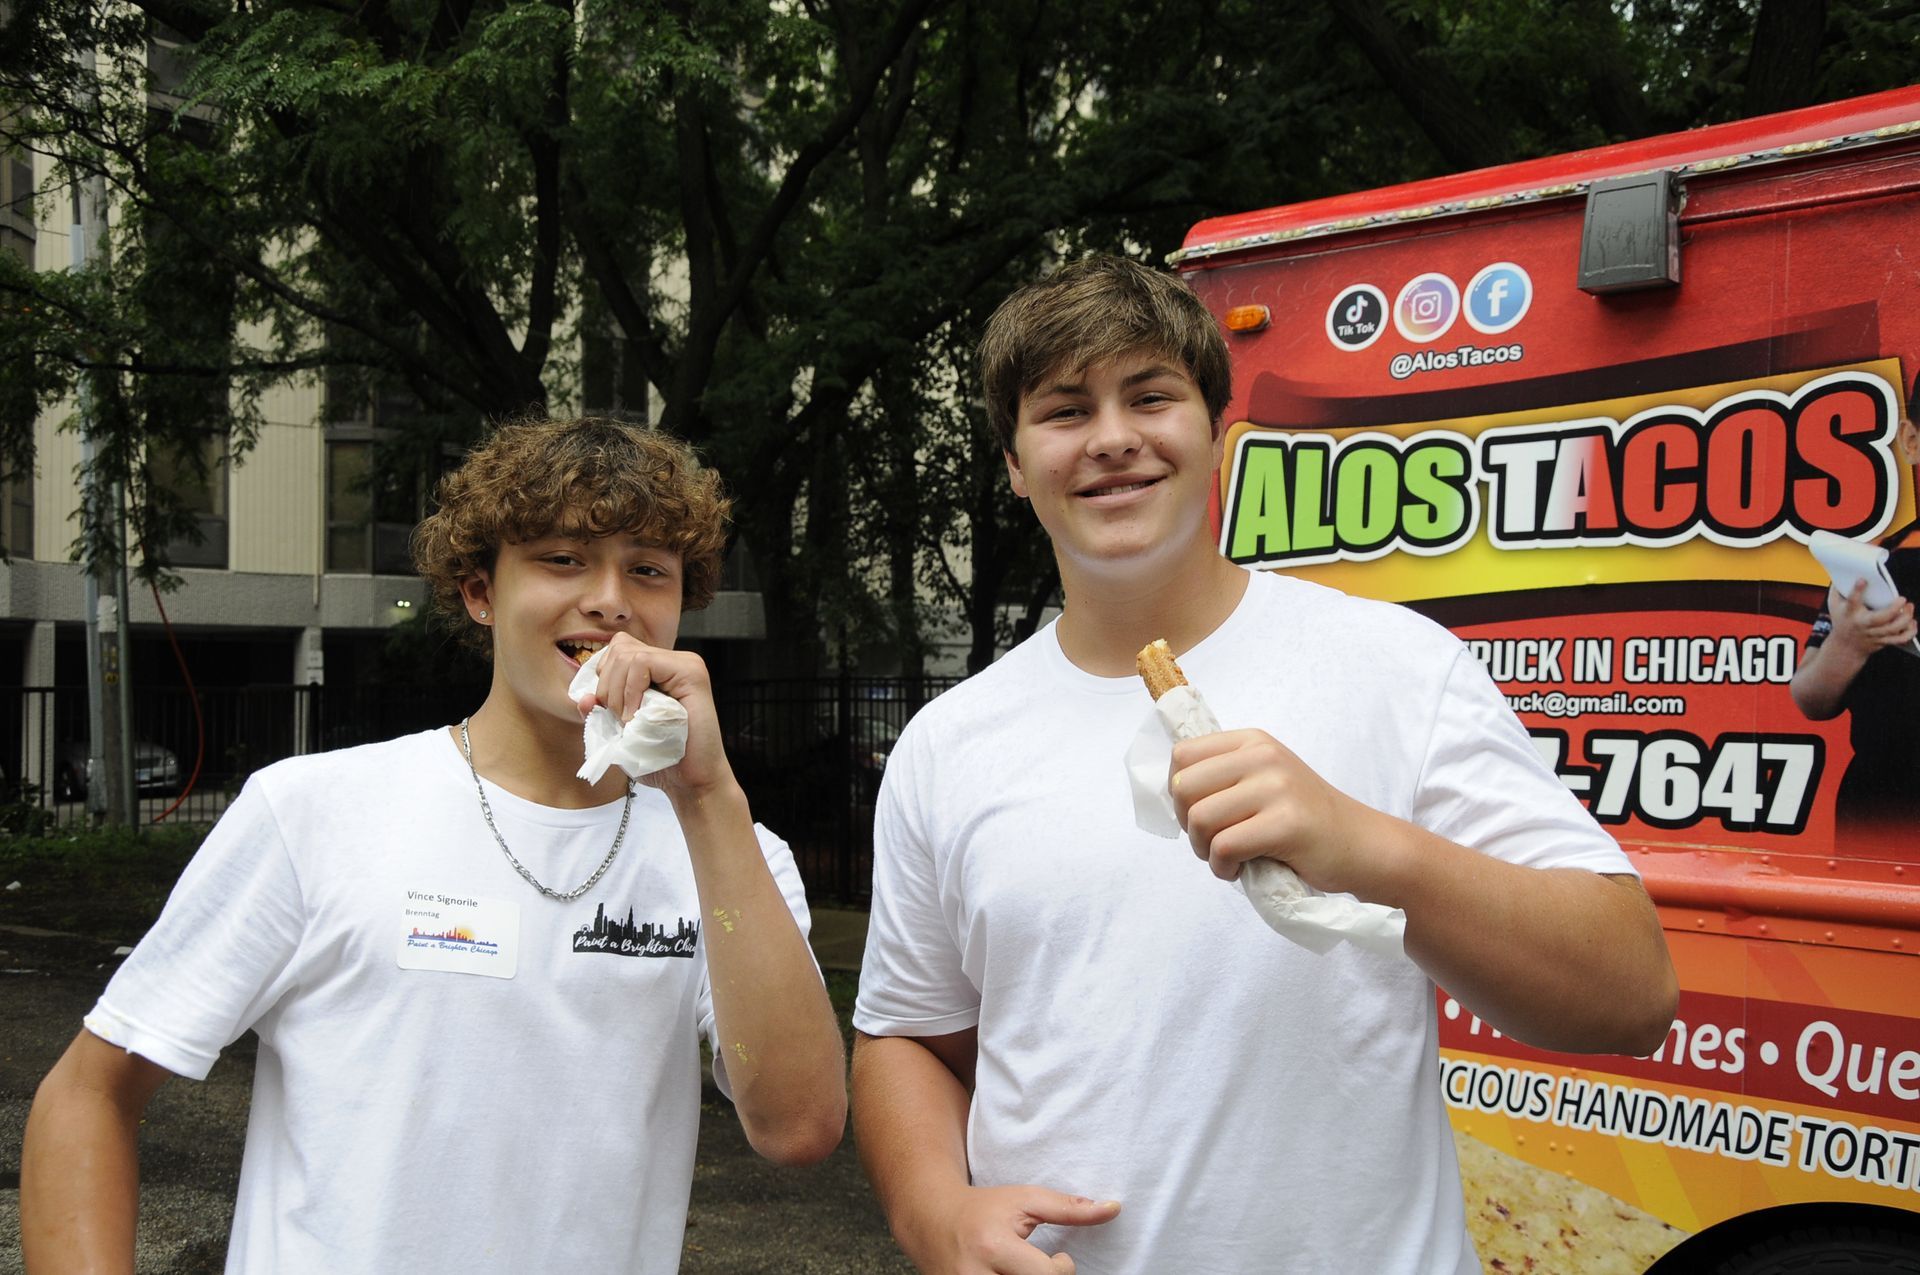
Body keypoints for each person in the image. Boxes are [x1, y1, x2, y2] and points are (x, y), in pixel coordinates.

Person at [849, 256, 1677, 1275]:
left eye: (1151, 396)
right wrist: (936, 1215)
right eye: (1065, 410)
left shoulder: (1395, 666)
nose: (1112, 437)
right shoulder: (950, 743)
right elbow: (909, 1036)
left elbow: (1632, 996)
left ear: (1219, 438)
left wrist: (1368, 845)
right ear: (1016, 465)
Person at [21, 417, 846, 1273]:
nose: (610, 597)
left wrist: (708, 798)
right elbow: (89, 1095)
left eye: (648, 569)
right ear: (479, 591)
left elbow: (798, 1127)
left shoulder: (730, 854)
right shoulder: (313, 812)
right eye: (563, 558)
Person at [1790, 385, 1920, 833]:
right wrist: (1849, 643)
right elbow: (1809, 698)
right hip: (1883, 816)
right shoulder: (1875, 566)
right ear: (1911, 440)